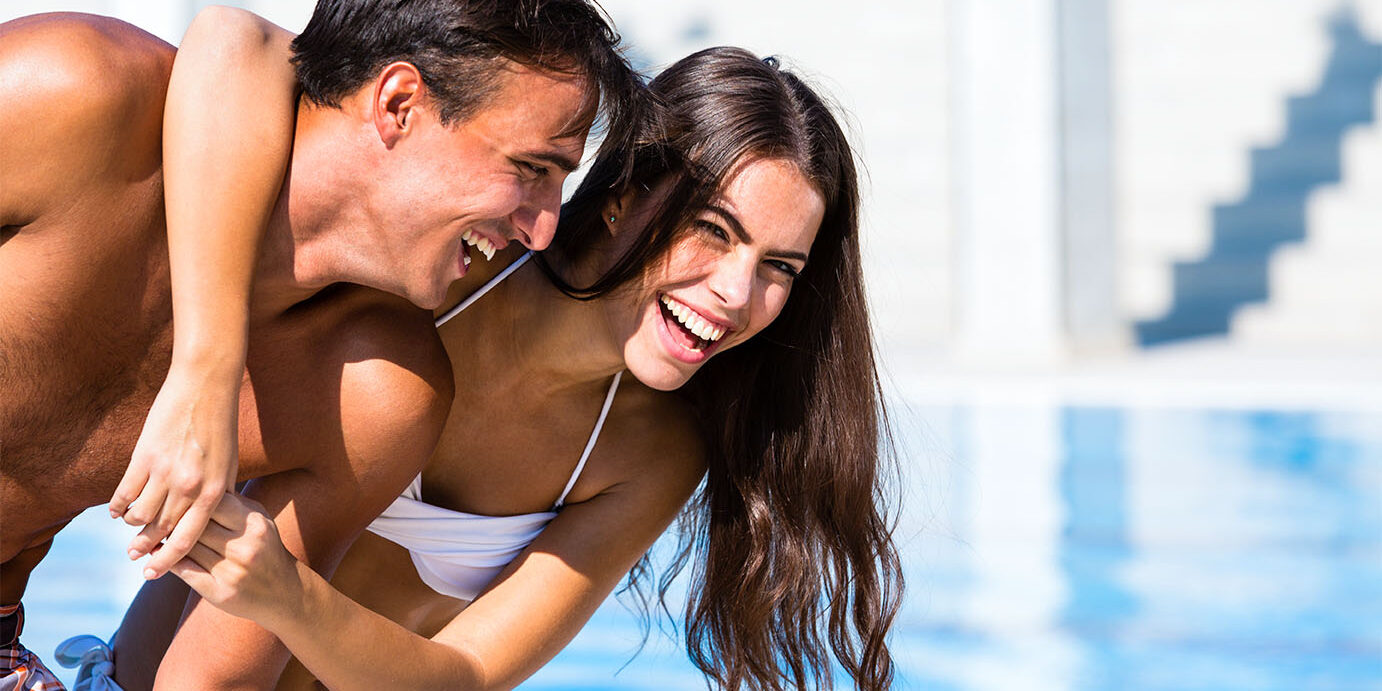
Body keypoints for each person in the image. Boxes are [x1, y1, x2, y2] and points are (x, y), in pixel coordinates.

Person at [112, 13, 904, 691]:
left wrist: (289, 598)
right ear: (627, 189)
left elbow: (470, 673)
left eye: (778, 269)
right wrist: (204, 372)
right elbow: (233, 40)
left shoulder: (649, 452)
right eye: (714, 230)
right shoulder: (442, 270)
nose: (736, 291)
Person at [0, 2, 639, 688]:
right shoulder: (74, 99)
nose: (543, 229)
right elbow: (234, 35)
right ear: (399, 103)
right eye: (531, 167)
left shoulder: (373, 391)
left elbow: (212, 678)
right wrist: (205, 371)